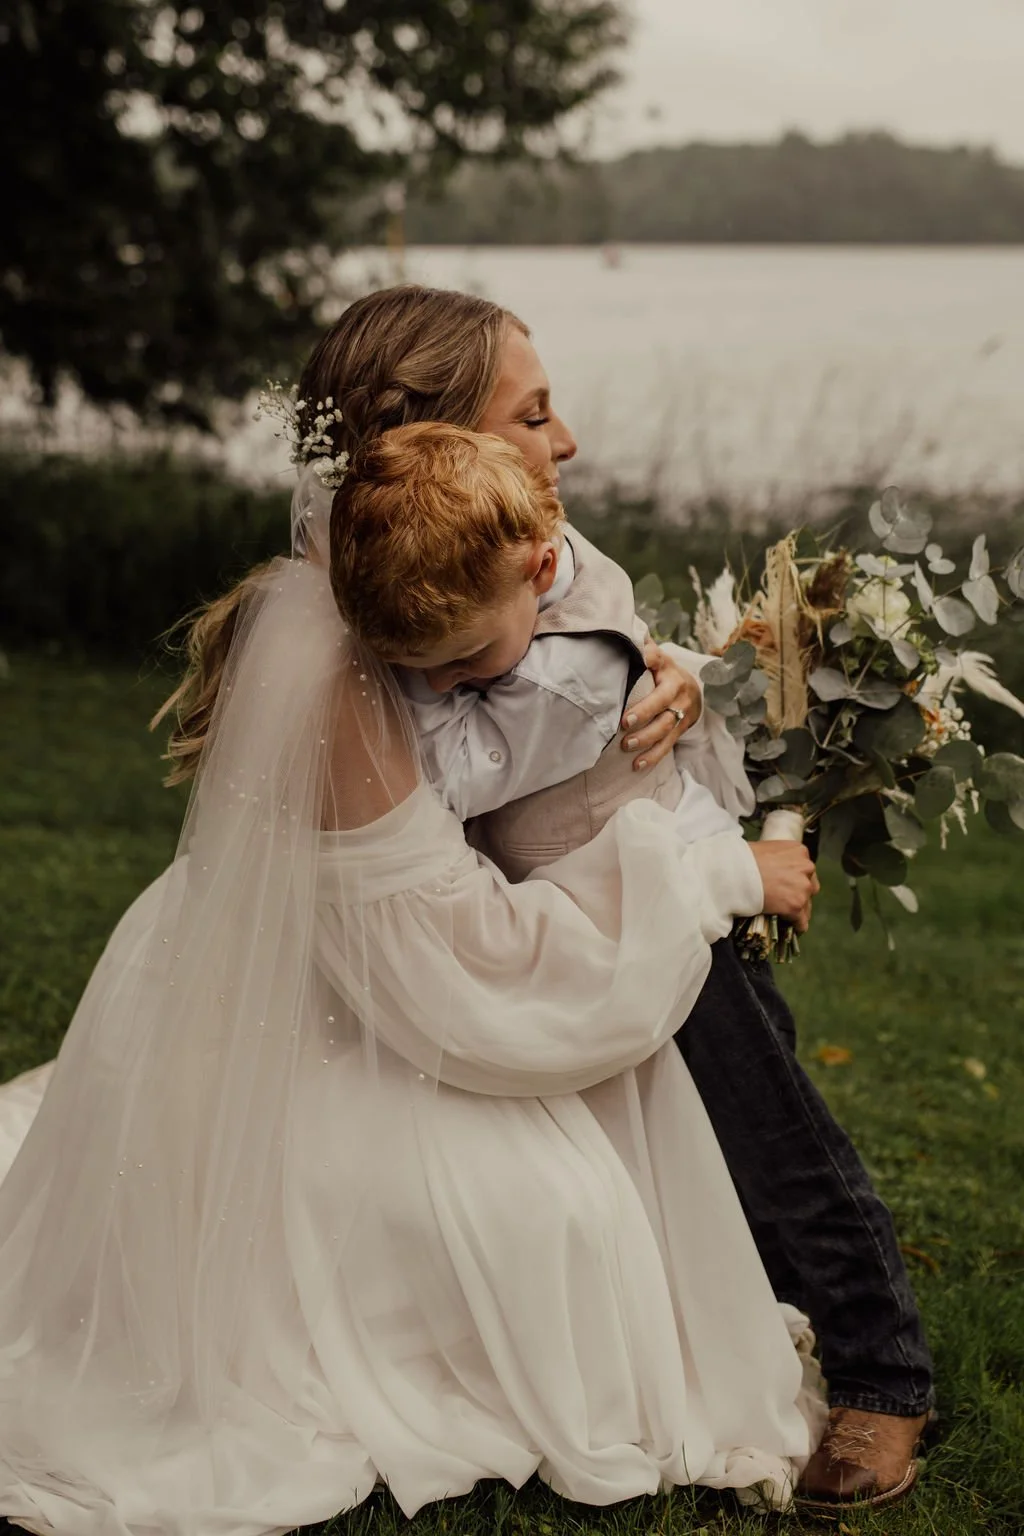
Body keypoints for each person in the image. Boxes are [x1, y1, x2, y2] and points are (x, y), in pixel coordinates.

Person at [0, 385, 827, 1532]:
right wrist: (718, 879)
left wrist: (680, 673)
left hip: (343, 985)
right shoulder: (362, 669)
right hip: (393, 1003)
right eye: (422, 672)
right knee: (560, 1229)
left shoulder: (448, 595)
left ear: (535, 562)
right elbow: (475, 981)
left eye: (463, 663)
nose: (438, 696)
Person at [294, 285, 936, 1509]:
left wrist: (681, 679)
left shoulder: (546, 554)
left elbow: (601, 669)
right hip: (562, 933)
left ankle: (882, 1372)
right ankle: (732, 1314)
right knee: (689, 1153)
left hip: (657, 903)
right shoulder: (403, 587)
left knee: (772, 1134)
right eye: (532, 415)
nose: (568, 440)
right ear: (436, 440)